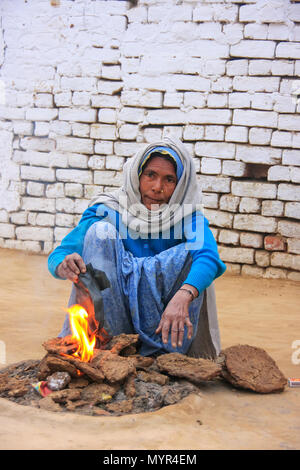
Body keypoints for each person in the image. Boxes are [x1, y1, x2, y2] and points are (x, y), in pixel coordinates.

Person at [48, 137, 226, 358]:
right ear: (137, 174)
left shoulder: (187, 216)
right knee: (99, 233)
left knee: (195, 251)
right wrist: (64, 265)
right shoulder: (108, 210)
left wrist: (184, 295)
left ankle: (162, 357)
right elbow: (60, 254)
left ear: (180, 185)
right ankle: (102, 345)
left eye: (169, 179)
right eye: (151, 175)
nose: (157, 187)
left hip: (165, 327)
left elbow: (210, 257)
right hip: (112, 324)